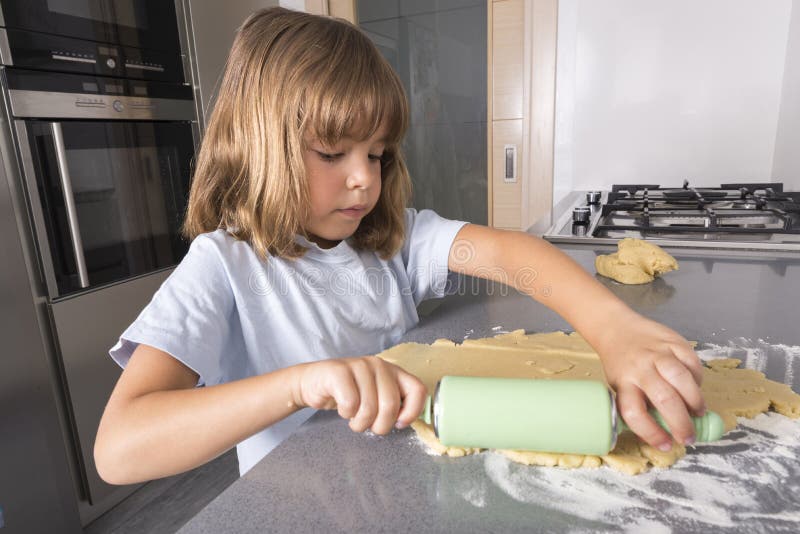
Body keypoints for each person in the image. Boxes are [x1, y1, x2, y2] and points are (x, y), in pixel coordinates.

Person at [94, 7, 705, 485]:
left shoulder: (392, 243)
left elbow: (513, 255)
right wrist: (300, 384)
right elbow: (121, 449)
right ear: (258, 147)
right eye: (332, 153)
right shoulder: (223, 267)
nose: (364, 177)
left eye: (378, 153)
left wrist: (613, 328)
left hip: (405, 483)